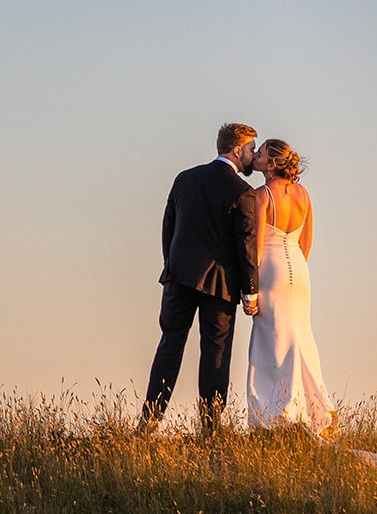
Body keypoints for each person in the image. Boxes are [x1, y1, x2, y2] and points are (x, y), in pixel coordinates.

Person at [138, 123, 261, 434]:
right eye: (250, 150)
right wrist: (250, 292)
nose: (252, 156)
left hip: (178, 277)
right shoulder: (243, 192)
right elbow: (245, 244)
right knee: (216, 353)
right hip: (220, 285)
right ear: (237, 150)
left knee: (169, 345)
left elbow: (168, 227)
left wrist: (174, 265)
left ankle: (148, 422)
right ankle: (210, 426)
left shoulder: (185, 179)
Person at [245, 139, 336, 433]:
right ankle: (311, 407)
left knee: (272, 340)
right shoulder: (303, 194)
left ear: (271, 164)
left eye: (259, 154)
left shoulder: (261, 196)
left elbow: (256, 248)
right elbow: (306, 242)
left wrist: (253, 289)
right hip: (298, 269)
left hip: (271, 269)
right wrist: (296, 270)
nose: (255, 157)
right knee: (300, 336)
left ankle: (276, 413)